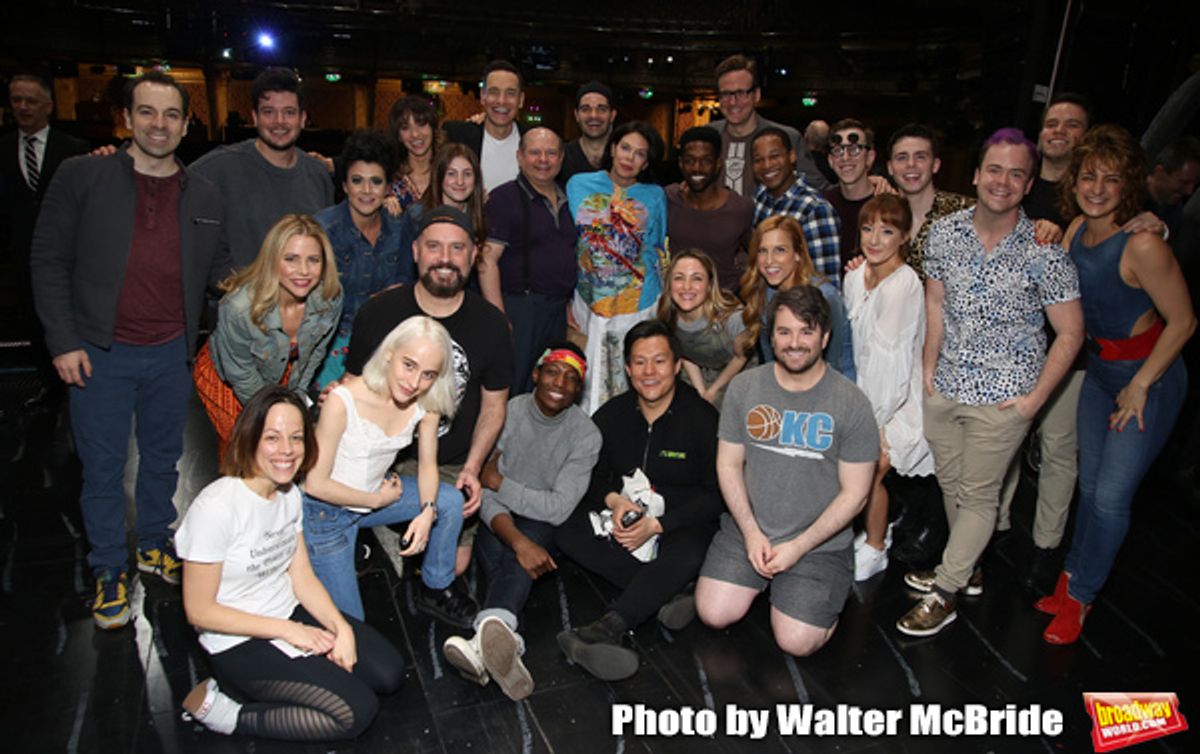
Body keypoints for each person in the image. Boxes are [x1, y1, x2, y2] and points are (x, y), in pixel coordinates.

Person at [30, 71, 232, 629]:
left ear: (187, 124)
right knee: (102, 470)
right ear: (127, 118)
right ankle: (108, 570)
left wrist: (274, 284)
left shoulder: (206, 195)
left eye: (171, 115)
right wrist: (64, 341)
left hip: (170, 352)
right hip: (99, 353)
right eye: (147, 112)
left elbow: (221, 272)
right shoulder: (83, 176)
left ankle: (153, 544)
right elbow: (47, 261)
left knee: (164, 461)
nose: (159, 125)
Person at [896, 128, 1084, 638]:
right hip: (946, 387)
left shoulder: (1045, 249)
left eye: (1016, 173)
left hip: (1006, 399)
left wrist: (1034, 402)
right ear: (977, 175)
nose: (1003, 181)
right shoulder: (945, 233)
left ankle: (946, 591)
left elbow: (1071, 332)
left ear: (1027, 186)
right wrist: (929, 370)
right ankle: (969, 565)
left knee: (978, 496)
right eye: (994, 169)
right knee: (954, 487)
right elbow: (935, 303)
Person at [1036, 125, 1195, 645]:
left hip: (1150, 379)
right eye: (1088, 177)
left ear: (1128, 184)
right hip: (1100, 374)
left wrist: (1142, 384)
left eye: (1110, 179)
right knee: (1089, 488)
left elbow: (1185, 322)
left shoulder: (1144, 242)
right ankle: (1071, 579)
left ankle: (1081, 598)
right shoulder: (1079, 226)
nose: (1097, 188)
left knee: (1110, 498)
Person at [177, 386, 405, 741]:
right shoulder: (216, 508)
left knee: (389, 674)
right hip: (237, 640)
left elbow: (301, 574)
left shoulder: (289, 495)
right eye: (272, 437)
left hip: (288, 611)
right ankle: (231, 715)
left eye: (296, 438)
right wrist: (289, 631)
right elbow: (199, 612)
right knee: (356, 712)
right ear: (250, 438)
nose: (286, 450)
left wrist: (339, 628)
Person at [695, 286, 878, 657]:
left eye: (806, 331)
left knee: (795, 642)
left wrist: (797, 547)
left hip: (818, 545)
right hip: (750, 530)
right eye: (784, 332)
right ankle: (768, 589)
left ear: (825, 337)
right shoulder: (745, 388)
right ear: (771, 337)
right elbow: (728, 464)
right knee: (713, 613)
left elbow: (856, 493)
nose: (795, 342)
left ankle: (810, 599)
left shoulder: (852, 403)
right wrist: (750, 533)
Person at [345, 205, 512, 576]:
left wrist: (473, 467)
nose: (446, 259)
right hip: (382, 458)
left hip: (451, 462)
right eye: (434, 247)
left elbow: (494, 407)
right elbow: (352, 387)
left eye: (457, 249)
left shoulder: (492, 325)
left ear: (472, 255)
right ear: (416, 251)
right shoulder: (379, 312)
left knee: (452, 566)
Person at [555, 320, 722, 680]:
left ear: (677, 366)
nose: (650, 372)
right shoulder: (612, 415)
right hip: (626, 516)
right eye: (640, 362)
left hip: (679, 524)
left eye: (659, 361)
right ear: (627, 368)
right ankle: (666, 590)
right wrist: (615, 501)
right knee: (565, 529)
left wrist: (659, 525)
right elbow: (590, 475)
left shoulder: (703, 419)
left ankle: (609, 626)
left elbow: (717, 494)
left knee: (693, 548)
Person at [442, 342, 601, 700]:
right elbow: (481, 489)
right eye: (552, 371)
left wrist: (500, 482)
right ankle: (504, 638)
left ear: (579, 388)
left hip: (544, 524)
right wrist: (519, 541)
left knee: (524, 545)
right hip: (498, 518)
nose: (559, 382)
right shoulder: (508, 413)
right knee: (516, 552)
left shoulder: (586, 435)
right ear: (535, 375)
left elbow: (558, 508)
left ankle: (484, 640)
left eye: (571, 378)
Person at [304, 316, 474, 625]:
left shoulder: (427, 403)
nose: (414, 382)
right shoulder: (343, 400)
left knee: (449, 501)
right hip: (326, 514)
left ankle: (435, 588)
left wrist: (426, 511)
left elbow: (427, 465)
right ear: (388, 354)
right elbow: (314, 484)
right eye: (408, 365)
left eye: (428, 374)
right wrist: (375, 501)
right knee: (350, 628)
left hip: (376, 495)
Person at [194, 214, 342, 453]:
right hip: (230, 379)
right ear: (272, 259)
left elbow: (315, 353)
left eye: (313, 260)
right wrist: (275, 415)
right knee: (248, 448)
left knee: (287, 441)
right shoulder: (239, 307)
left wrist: (296, 398)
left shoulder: (330, 296)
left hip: (284, 371)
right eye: (291, 259)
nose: (303, 271)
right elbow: (240, 374)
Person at [842, 194, 934, 581]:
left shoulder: (905, 284)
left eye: (887, 230)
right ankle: (870, 533)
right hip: (858, 391)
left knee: (871, 468)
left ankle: (876, 546)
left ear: (905, 236)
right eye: (868, 228)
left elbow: (890, 367)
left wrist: (871, 423)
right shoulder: (853, 275)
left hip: (894, 400)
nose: (875, 239)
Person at [567, 121, 668, 413]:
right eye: (625, 148)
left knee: (629, 376)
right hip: (589, 300)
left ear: (646, 162)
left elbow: (657, 246)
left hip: (637, 300)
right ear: (612, 148)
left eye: (639, 154)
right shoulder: (578, 184)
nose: (629, 158)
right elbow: (570, 240)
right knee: (586, 380)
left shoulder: (654, 195)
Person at [190, 67, 334, 267]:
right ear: (255, 117)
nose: (279, 122)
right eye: (269, 112)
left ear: (302, 119)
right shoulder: (217, 169)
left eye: (289, 112)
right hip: (238, 296)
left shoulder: (318, 175)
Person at [479, 128, 577, 394]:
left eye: (551, 152)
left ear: (561, 158)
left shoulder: (569, 200)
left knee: (548, 390)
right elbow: (487, 259)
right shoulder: (504, 199)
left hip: (556, 312)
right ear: (520, 156)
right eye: (534, 152)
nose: (543, 159)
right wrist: (499, 316)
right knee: (513, 386)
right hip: (520, 309)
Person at [313, 130, 409, 388]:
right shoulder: (322, 229)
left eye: (376, 182)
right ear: (344, 185)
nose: (366, 191)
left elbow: (402, 292)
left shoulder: (400, 230)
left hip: (384, 347)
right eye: (357, 181)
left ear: (388, 187)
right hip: (329, 348)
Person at [1, 73, 89, 350]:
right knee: (34, 323)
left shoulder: (75, 150)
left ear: (48, 106)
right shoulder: (1, 149)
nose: (23, 107)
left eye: (31, 101)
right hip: (19, 257)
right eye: (17, 100)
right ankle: (48, 386)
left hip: (71, 257)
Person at [740, 215, 854, 379]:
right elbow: (770, 362)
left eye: (780, 250)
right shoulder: (763, 292)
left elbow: (837, 363)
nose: (769, 260)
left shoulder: (825, 296)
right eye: (762, 251)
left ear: (798, 254)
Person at [705, 54, 829, 195]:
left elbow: (820, 190)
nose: (733, 102)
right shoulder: (707, 137)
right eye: (726, 94)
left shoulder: (787, 137)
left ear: (756, 95)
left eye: (741, 93)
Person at [657, 249, 754, 407]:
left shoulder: (732, 318)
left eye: (697, 279)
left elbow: (741, 357)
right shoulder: (667, 315)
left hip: (735, 371)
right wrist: (701, 392)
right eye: (679, 278)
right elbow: (686, 354)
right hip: (698, 372)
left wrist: (713, 391)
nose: (687, 287)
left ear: (709, 285)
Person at [666, 126, 755, 294]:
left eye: (706, 161)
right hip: (679, 300)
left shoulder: (741, 208)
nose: (697, 168)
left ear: (718, 164)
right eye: (689, 160)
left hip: (725, 305)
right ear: (680, 163)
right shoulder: (668, 199)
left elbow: (757, 255)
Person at [751, 127, 843, 284]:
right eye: (759, 160)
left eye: (774, 156)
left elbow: (826, 286)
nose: (767, 165)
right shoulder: (759, 198)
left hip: (800, 306)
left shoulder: (815, 209)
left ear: (792, 156)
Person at [885, 123, 973, 279]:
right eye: (902, 157)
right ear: (890, 167)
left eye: (920, 157)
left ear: (935, 165)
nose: (911, 164)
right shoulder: (881, 215)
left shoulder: (965, 212)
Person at [443, 60, 526, 192]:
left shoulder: (534, 141)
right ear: (482, 96)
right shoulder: (456, 136)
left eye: (510, 93)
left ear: (521, 100)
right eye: (494, 92)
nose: (501, 101)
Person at [401, 143, 488, 250]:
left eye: (467, 174)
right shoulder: (416, 215)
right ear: (439, 176)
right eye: (451, 174)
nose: (460, 181)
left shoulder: (482, 215)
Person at [822, 119, 880, 270]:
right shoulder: (821, 206)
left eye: (854, 149)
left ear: (870, 157)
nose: (845, 157)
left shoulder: (886, 205)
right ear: (830, 160)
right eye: (838, 150)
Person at [385, 95, 440, 213]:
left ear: (432, 127)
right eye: (405, 128)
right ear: (399, 136)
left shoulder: (448, 173)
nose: (415, 134)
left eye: (421, 124)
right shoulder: (388, 177)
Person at [560, 81, 617, 186]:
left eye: (602, 109)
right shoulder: (562, 157)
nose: (594, 115)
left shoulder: (624, 158)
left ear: (612, 115)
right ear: (576, 115)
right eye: (586, 109)